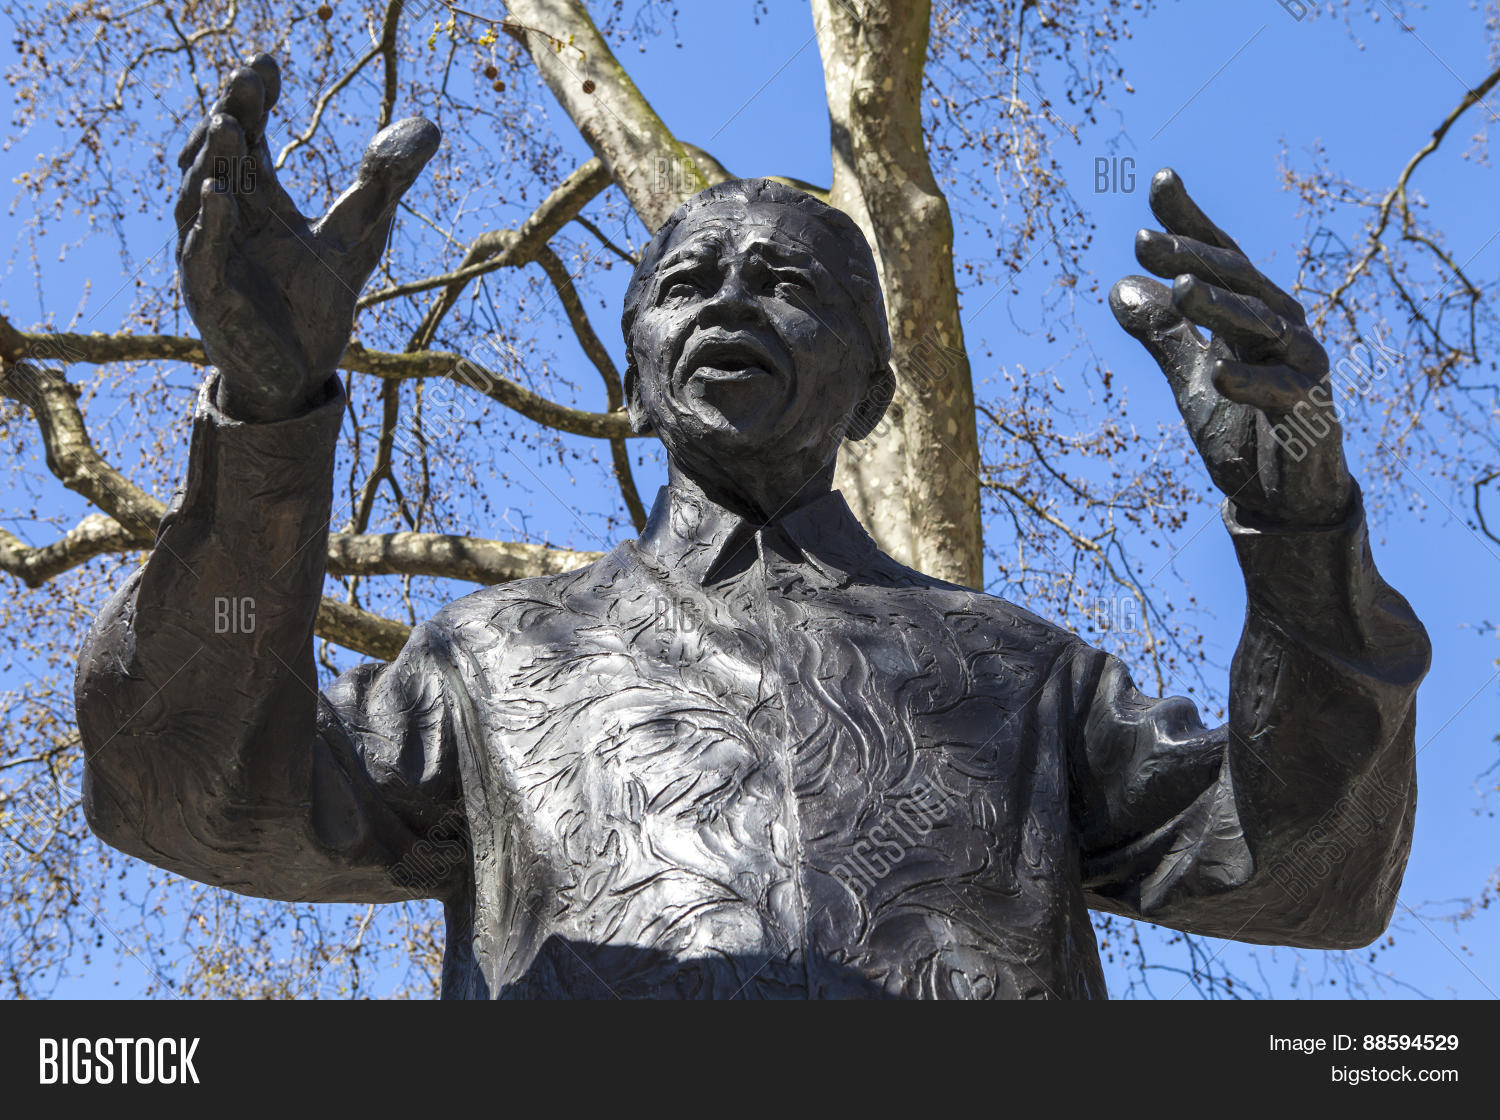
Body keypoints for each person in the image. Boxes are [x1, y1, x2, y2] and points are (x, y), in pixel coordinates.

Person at [76, 55, 1430, 999]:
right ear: (632, 377)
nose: (730, 302)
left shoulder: (1026, 680)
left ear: (876, 390)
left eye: (786, 283)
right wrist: (266, 429)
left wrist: (1297, 514)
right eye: (685, 282)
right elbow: (189, 791)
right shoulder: (487, 666)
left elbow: (1313, 869)